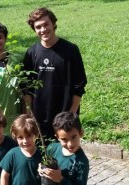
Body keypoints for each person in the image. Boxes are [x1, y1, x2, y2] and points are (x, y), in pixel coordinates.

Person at [23, 7, 87, 141]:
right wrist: (29, 115)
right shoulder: (31, 53)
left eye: (46, 24)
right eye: (38, 27)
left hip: (65, 118)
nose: (43, 29)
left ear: (53, 23)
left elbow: (79, 85)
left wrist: (71, 114)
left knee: (66, 156)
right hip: (39, 119)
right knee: (43, 158)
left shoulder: (70, 50)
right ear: (34, 30)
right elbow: (27, 88)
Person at [39, 111, 89, 185]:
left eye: (74, 137)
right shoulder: (52, 148)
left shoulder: (82, 162)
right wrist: (40, 168)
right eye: (64, 139)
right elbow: (42, 161)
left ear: (81, 133)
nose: (70, 144)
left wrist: (60, 179)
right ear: (57, 137)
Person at [0, 114, 42, 185]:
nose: (25, 141)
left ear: (36, 135)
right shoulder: (12, 154)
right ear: (15, 137)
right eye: (20, 137)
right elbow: (4, 176)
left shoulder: (42, 155)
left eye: (28, 136)